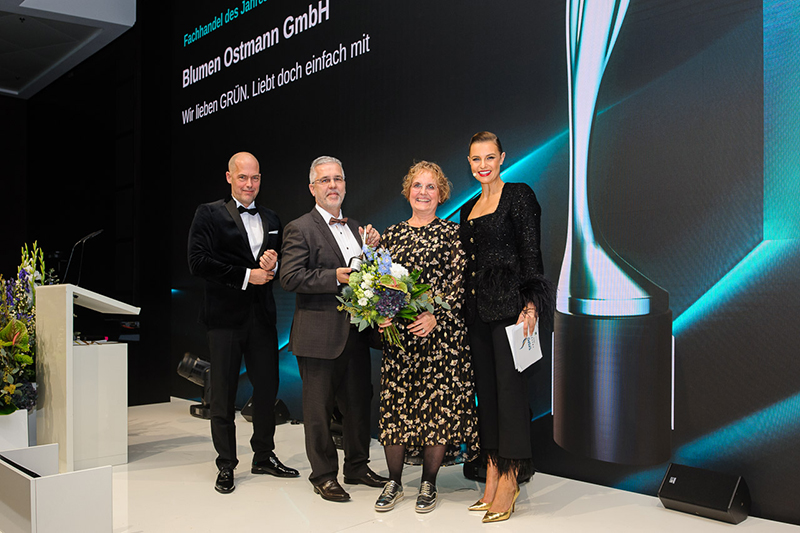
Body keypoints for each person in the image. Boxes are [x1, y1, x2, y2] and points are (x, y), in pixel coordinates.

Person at [275, 155, 388, 502]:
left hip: (356, 334)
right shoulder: (300, 227)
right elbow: (289, 277)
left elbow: (368, 277)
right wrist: (333, 278)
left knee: (358, 405)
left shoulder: (357, 228)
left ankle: (357, 466)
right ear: (312, 188)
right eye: (325, 180)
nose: (333, 185)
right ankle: (323, 475)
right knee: (318, 411)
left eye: (338, 179)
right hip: (318, 337)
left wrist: (374, 251)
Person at [188, 151, 300, 494]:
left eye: (255, 178)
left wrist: (273, 264)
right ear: (229, 177)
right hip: (224, 319)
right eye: (242, 177)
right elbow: (197, 262)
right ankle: (226, 464)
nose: (249, 184)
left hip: (262, 318)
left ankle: (263, 456)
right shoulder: (208, 213)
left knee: (267, 390)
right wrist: (247, 275)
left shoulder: (272, 217)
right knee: (223, 395)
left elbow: (274, 264)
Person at [373, 161, 479, 514]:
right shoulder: (391, 235)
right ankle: (393, 482)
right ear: (408, 191)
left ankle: (429, 483)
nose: (423, 192)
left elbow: (460, 284)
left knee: (437, 411)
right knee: (396, 409)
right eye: (417, 186)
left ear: (441, 193)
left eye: (430, 186)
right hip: (401, 341)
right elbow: (381, 282)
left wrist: (436, 315)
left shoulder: (452, 234)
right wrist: (382, 313)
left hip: (441, 339)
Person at [459, 132, 555, 523]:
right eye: (476, 159)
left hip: (511, 310)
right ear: (469, 163)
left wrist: (531, 305)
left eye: (489, 157)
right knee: (486, 396)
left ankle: (511, 478)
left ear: (502, 158)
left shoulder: (518, 195)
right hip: (476, 313)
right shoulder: (468, 208)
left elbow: (532, 254)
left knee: (511, 395)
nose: (483, 165)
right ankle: (492, 472)